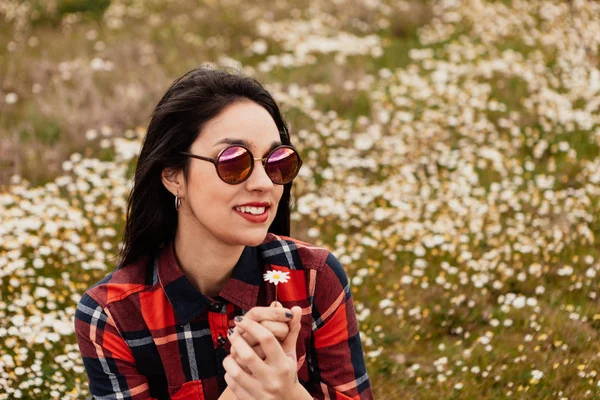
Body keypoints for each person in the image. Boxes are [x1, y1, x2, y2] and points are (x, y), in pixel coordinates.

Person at [74, 66, 374, 400]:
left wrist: (288, 393)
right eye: (233, 161)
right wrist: (242, 389)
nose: (263, 183)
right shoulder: (113, 315)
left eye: (277, 161)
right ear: (173, 175)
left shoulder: (315, 277)